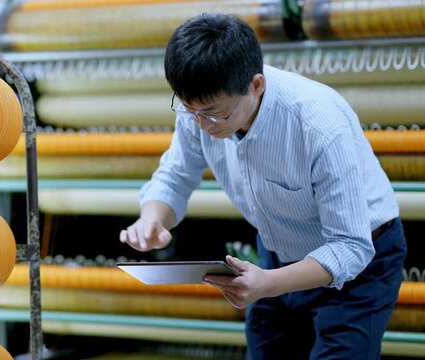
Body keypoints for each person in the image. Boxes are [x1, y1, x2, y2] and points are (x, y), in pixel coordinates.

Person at [119, 12, 406, 360]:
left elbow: (350, 246)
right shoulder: (200, 113)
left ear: (256, 86)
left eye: (213, 113)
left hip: (360, 263)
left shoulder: (318, 125)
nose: (201, 124)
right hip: (277, 253)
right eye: (188, 109)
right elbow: (175, 175)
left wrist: (268, 283)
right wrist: (152, 219)